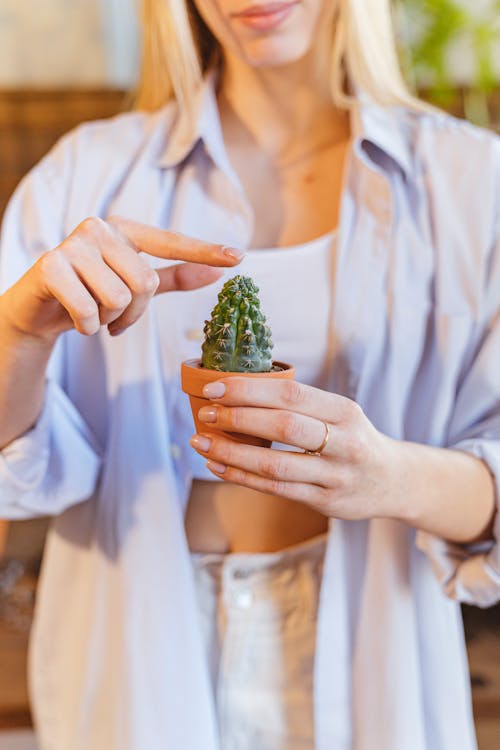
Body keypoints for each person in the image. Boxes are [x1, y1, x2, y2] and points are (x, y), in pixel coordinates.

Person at [0, 0, 499, 747]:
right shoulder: (83, 174)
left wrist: (390, 477)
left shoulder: (473, 184)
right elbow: (23, 478)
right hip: (132, 656)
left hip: (374, 667)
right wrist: (16, 335)